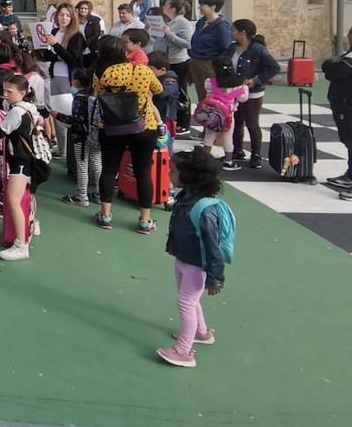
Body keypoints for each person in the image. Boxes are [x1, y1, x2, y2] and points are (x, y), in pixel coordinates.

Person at [157, 147, 230, 369]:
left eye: (173, 171)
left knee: (186, 302)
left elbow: (213, 246)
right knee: (190, 299)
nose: (169, 174)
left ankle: (184, 351)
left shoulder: (205, 210)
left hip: (196, 265)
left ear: (188, 176)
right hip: (184, 259)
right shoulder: (186, 198)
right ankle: (201, 332)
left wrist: (215, 277)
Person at [0, 72, 48, 261]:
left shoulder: (16, 112)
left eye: (9, 91)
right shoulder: (25, 106)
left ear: (22, 92)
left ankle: (21, 244)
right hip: (25, 159)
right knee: (24, 198)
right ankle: (30, 224)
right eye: (4, 90)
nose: (5, 94)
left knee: (12, 201)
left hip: (19, 162)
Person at [93, 35, 161, 234]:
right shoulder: (142, 70)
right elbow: (159, 88)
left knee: (108, 169)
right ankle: (145, 220)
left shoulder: (102, 74)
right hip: (143, 126)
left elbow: (99, 94)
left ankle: (105, 215)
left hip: (112, 127)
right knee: (143, 171)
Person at [323, 20, 352, 200]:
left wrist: (332, 64)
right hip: (347, 105)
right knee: (349, 140)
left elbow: (333, 71)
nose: (348, 35)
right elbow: (333, 67)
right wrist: (332, 65)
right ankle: (351, 176)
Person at [226, 19, 279, 167]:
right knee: (235, 121)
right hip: (234, 90)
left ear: (243, 33)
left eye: (233, 30)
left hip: (252, 92)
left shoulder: (257, 49)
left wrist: (255, 80)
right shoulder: (231, 48)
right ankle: (237, 150)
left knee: (251, 122)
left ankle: (256, 154)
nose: (231, 33)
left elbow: (273, 67)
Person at [43, 3, 84, 162]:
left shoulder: (76, 36)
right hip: (54, 75)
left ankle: (71, 151)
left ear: (72, 17)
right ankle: (61, 148)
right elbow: (52, 56)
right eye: (61, 15)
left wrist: (56, 46)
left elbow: (73, 59)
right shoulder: (53, 32)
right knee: (55, 112)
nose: (64, 18)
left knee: (67, 112)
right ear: (56, 16)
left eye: (67, 15)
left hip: (68, 78)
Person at [56, 68, 102, 206]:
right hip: (95, 135)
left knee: (82, 166)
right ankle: (100, 193)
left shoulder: (78, 99)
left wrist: (56, 114)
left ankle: (81, 196)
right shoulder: (95, 96)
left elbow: (75, 120)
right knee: (97, 164)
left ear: (75, 82)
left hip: (80, 137)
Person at [187, 0, 234, 108]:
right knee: (201, 95)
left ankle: (217, 118)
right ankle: (206, 120)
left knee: (212, 95)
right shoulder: (201, 22)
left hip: (210, 64)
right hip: (196, 62)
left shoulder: (221, 26)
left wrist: (217, 65)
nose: (200, 8)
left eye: (203, 5)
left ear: (213, 6)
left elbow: (227, 48)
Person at [200, 58, 248, 170]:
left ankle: (204, 160)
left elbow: (206, 92)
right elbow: (243, 98)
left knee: (209, 136)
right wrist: (244, 87)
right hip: (228, 116)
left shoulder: (209, 81)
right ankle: (228, 161)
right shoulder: (237, 84)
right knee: (228, 138)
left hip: (212, 114)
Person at [158, 0, 194, 132]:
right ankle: (172, 118)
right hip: (167, 61)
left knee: (181, 91)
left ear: (172, 8)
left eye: (166, 5)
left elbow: (188, 43)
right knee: (169, 91)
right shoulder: (168, 21)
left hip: (180, 61)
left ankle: (184, 123)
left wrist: (171, 35)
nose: (163, 6)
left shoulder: (183, 23)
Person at [75, 1, 104, 68]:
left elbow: (95, 34)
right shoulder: (75, 20)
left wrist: (84, 44)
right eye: (81, 8)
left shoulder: (95, 20)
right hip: (77, 49)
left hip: (90, 49)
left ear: (89, 10)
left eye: (86, 8)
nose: (83, 10)